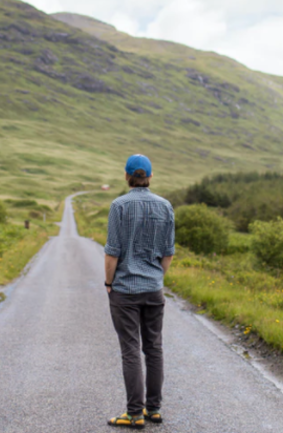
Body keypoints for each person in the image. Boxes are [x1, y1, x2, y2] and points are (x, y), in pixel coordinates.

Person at [104, 154, 175, 428]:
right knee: (154, 348)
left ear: (126, 176)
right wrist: (155, 278)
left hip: (125, 290)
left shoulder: (118, 205)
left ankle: (134, 414)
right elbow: (168, 254)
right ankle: (153, 409)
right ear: (150, 177)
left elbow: (112, 253)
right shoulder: (166, 206)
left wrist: (109, 283)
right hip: (153, 288)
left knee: (131, 349)